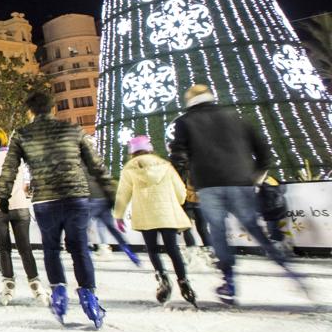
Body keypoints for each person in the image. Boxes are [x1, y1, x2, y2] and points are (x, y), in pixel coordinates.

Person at [168, 84, 303, 305]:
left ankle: (228, 280)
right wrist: (256, 175)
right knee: (252, 226)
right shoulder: (234, 116)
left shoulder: (185, 122)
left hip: (208, 184)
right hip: (241, 181)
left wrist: (182, 176)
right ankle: (284, 263)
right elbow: (262, 148)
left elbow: (178, 154)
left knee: (218, 231)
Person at [0, 89, 115, 329]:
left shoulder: (22, 134)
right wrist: (109, 190)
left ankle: (59, 294)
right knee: (79, 248)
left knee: (51, 249)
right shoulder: (74, 130)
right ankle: (89, 298)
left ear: (30, 111)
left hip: (45, 200)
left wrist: (3, 195)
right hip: (76, 197)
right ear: (52, 108)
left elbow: (9, 169)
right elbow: (96, 165)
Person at [113, 136, 197, 307]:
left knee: (153, 249)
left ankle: (163, 279)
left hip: (146, 214)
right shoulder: (165, 165)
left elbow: (123, 194)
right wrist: (176, 202)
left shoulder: (130, 168)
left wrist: (119, 215)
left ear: (132, 153)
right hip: (167, 213)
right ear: (149, 149)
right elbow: (181, 191)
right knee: (173, 249)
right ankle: (183, 281)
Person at [0, 126, 46, 306]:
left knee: (4, 248)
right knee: (25, 248)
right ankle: (36, 284)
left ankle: (8, 284)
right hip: (19, 205)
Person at [87, 166, 140, 266]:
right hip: (105, 200)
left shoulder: (81, 166)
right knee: (111, 228)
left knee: (84, 227)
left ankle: (87, 252)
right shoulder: (98, 165)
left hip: (92, 200)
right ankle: (129, 251)